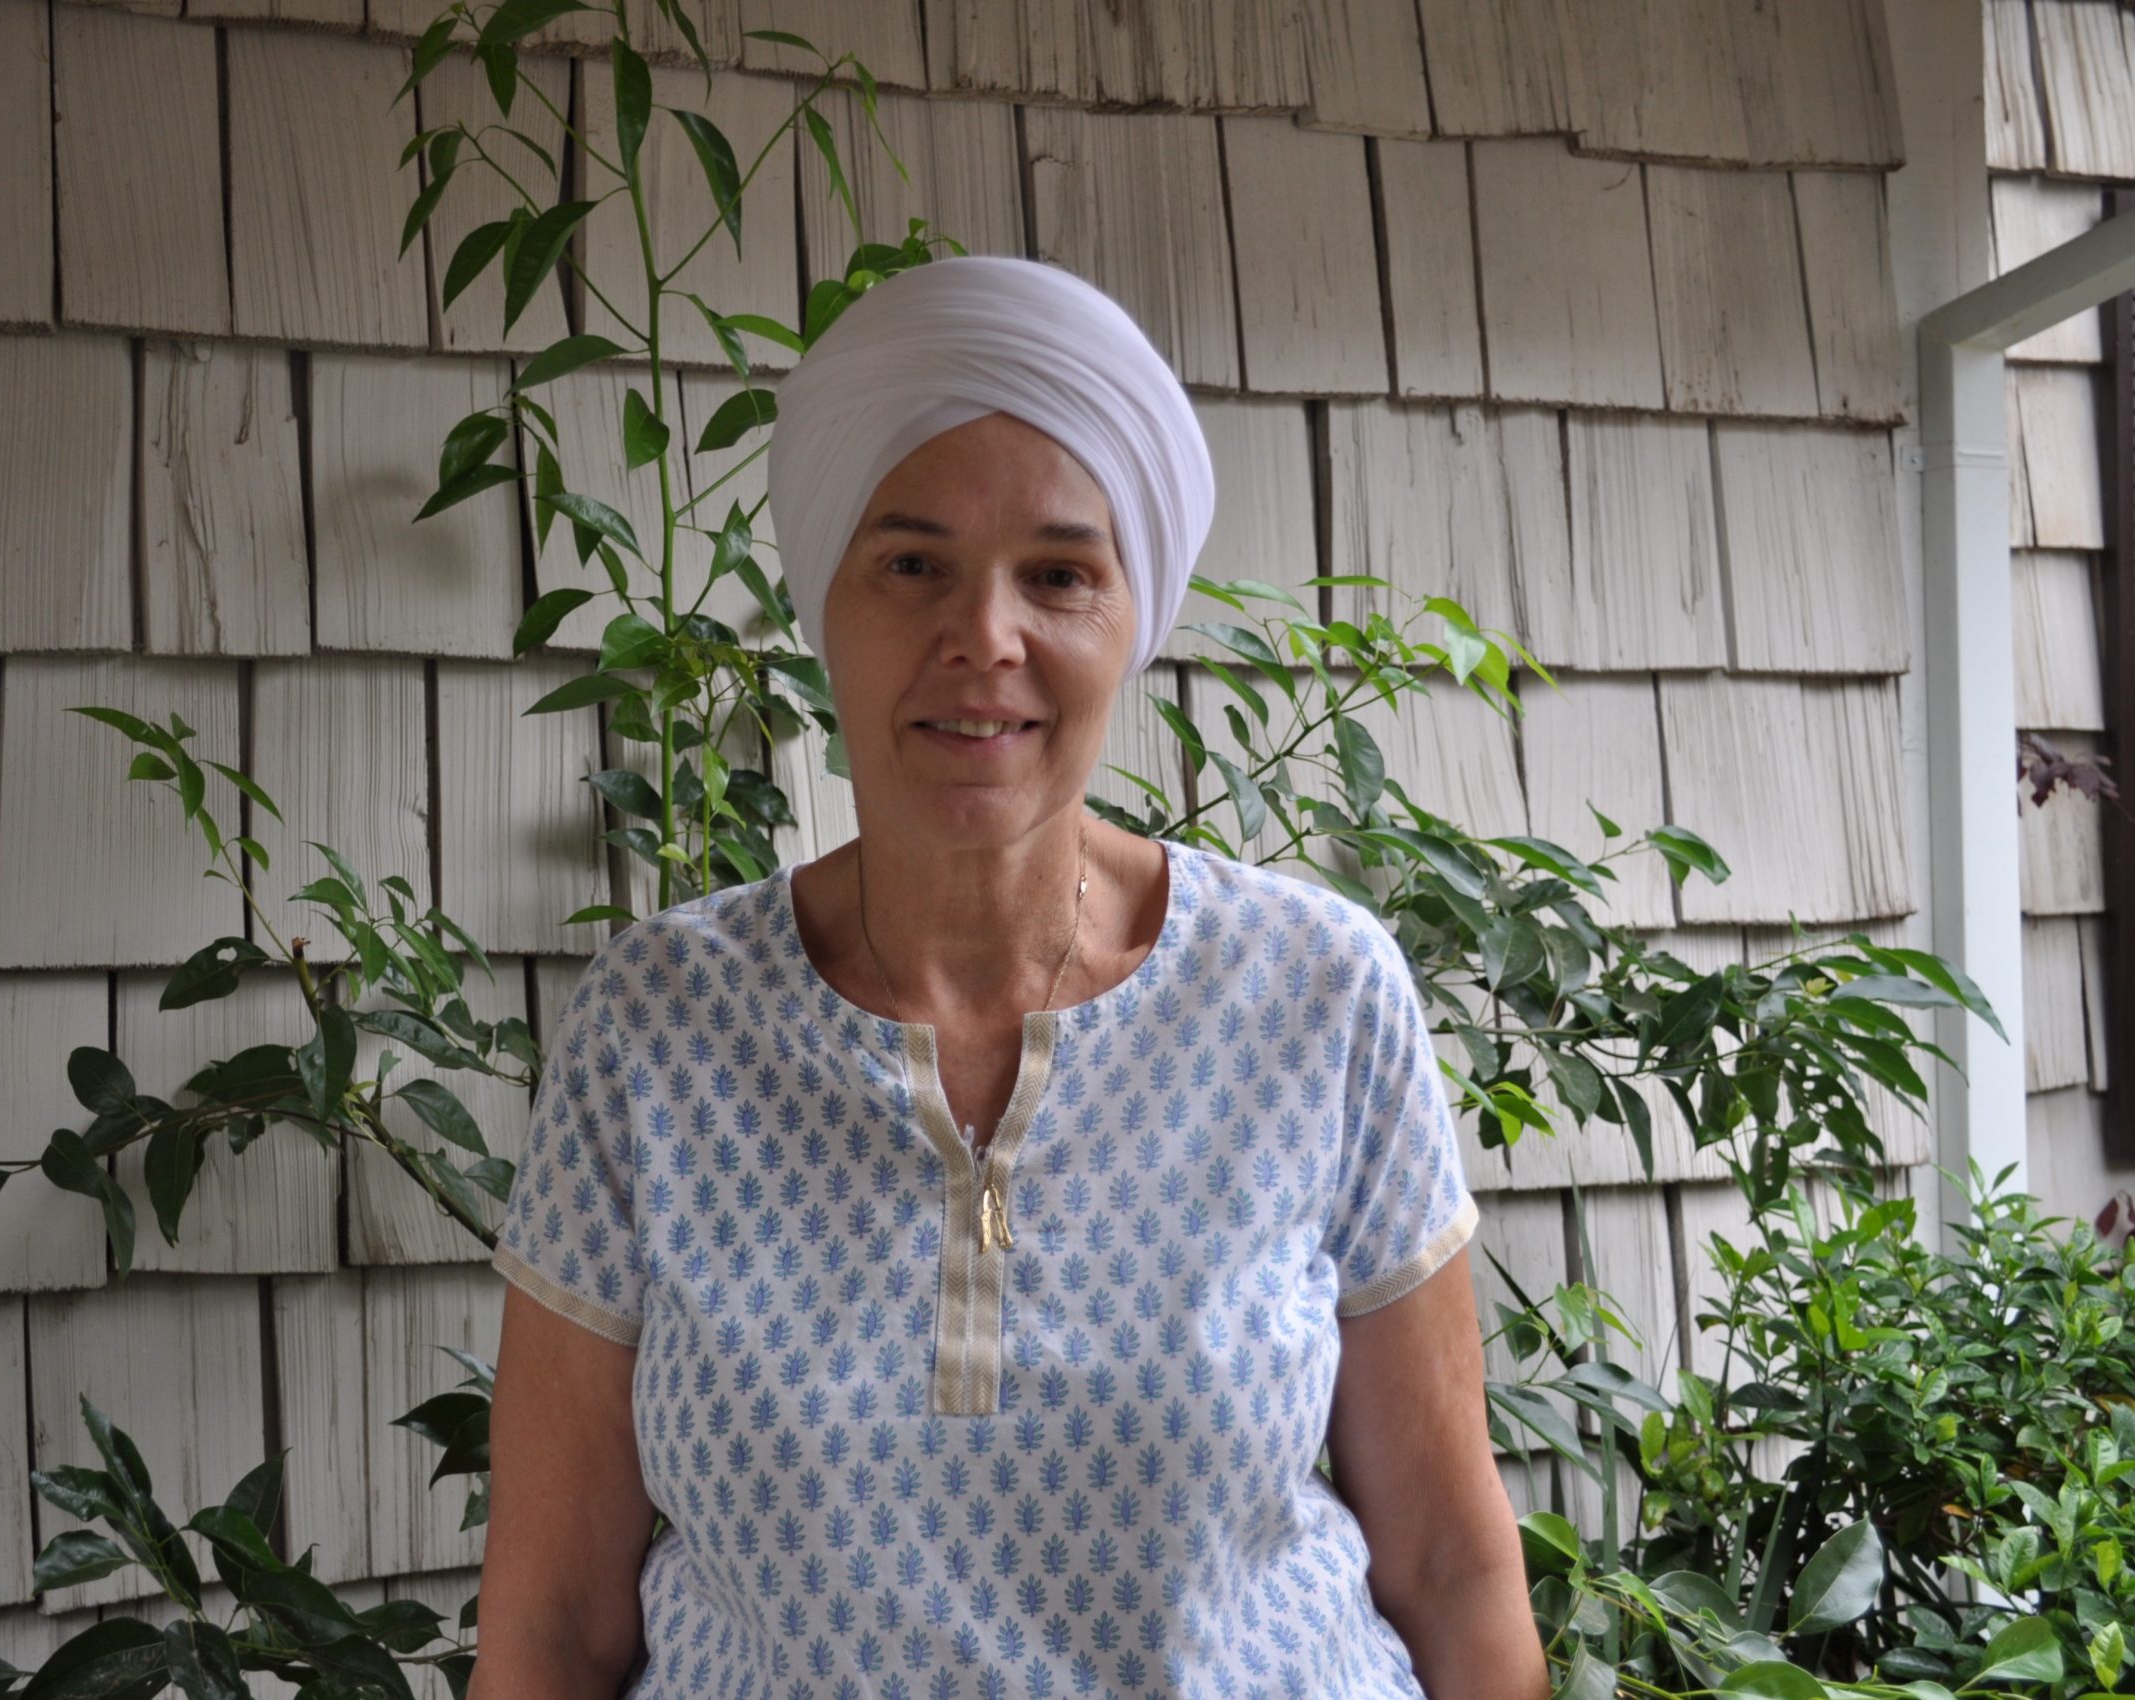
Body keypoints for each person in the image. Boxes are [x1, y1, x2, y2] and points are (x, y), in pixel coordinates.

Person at [473, 254, 1546, 1700]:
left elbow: (1451, 1566)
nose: (985, 638)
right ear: (825, 603)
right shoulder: (658, 1029)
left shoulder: (1315, 996)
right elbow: (553, 1626)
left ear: (1131, 615)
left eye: (1058, 575)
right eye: (913, 564)